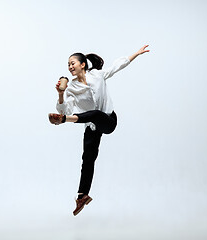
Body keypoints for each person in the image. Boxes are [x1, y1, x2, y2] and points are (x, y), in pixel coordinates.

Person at [48, 45, 150, 216]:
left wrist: (136, 54)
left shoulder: (97, 75)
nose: (70, 66)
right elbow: (63, 110)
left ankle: (65, 122)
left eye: (72, 63)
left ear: (83, 64)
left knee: (95, 114)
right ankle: (82, 196)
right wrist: (60, 94)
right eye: (68, 65)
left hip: (108, 120)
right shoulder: (71, 88)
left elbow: (118, 66)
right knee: (87, 159)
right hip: (91, 125)